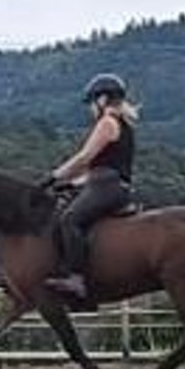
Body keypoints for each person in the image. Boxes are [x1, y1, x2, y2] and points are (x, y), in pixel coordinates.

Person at [41, 73, 137, 299]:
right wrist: (70, 184)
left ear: (102, 100)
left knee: (69, 220)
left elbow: (84, 158)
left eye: (93, 102)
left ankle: (76, 279)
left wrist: (52, 178)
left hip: (106, 187)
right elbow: (102, 166)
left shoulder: (107, 122)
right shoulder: (124, 124)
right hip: (109, 184)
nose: (91, 109)